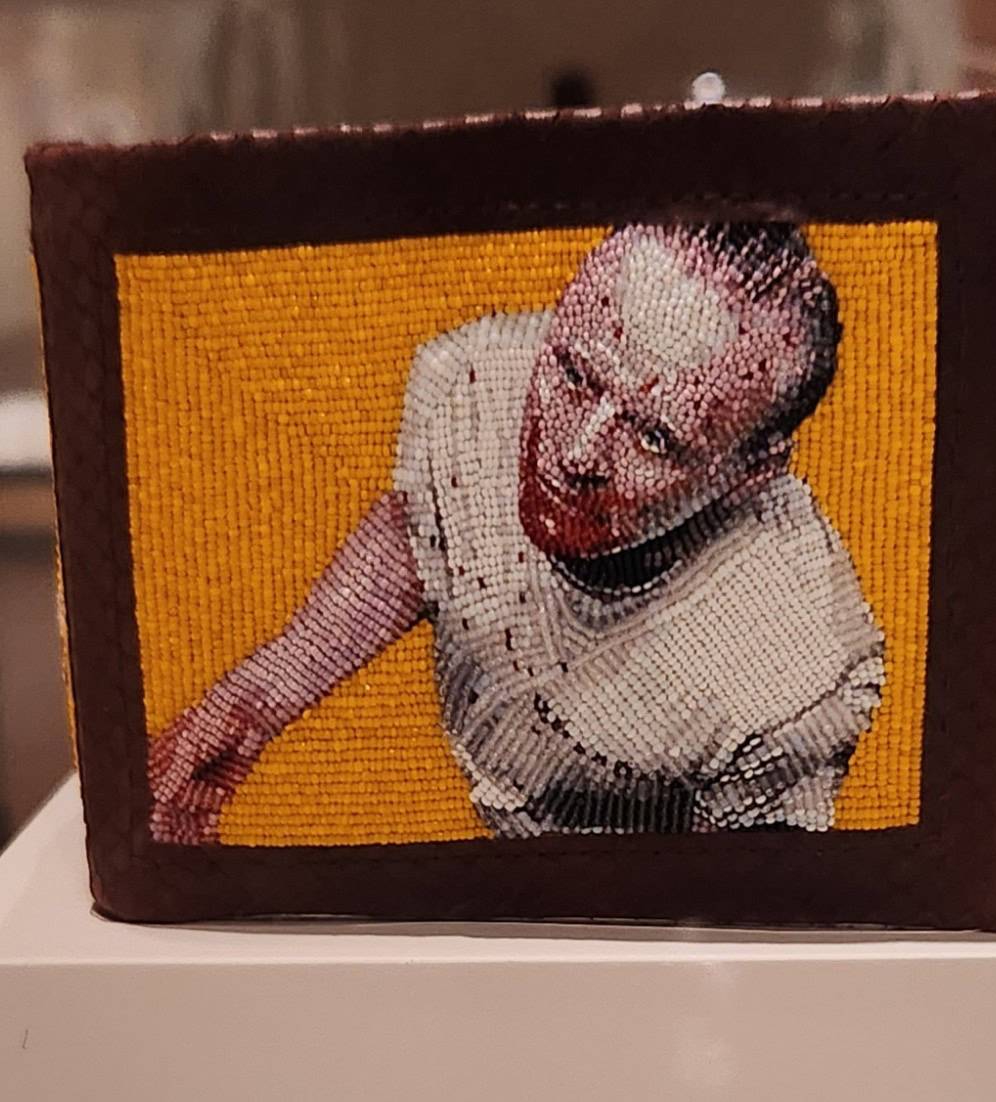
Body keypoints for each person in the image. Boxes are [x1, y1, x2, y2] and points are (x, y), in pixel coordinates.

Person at [149, 222, 884, 843]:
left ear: (751, 473)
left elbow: (739, 912)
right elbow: (429, 528)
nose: (576, 453)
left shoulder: (801, 669)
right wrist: (257, 700)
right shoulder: (477, 378)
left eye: (655, 437)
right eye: (574, 375)